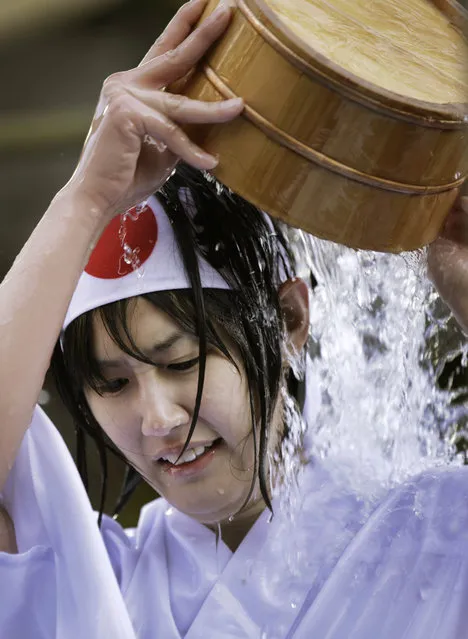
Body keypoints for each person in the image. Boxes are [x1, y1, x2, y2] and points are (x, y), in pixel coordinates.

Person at [0, 0, 467, 637]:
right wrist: (83, 201)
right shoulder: (85, 580)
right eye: (112, 384)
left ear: (291, 319)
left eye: (180, 361)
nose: (159, 419)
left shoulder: (441, 531)